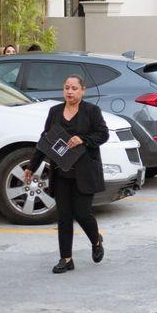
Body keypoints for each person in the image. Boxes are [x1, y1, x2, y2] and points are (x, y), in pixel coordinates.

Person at [24, 75, 108, 274]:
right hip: (61, 173)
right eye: (67, 88)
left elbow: (103, 134)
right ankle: (66, 259)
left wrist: (83, 139)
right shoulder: (54, 112)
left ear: (82, 90)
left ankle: (96, 240)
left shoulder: (91, 111)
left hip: (84, 172)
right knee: (64, 216)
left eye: (74, 88)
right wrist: (31, 166)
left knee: (83, 213)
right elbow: (45, 141)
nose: (70, 92)